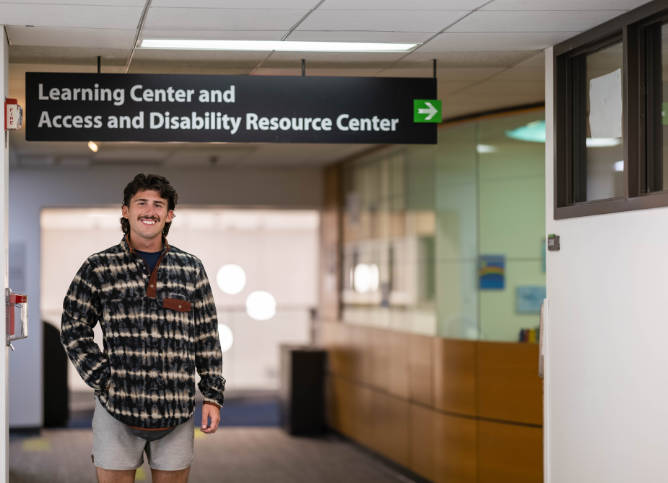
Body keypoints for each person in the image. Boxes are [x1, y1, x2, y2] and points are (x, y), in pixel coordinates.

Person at [60, 173, 225, 483]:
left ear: (169, 215)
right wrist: (102, 377)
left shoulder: (191, 268)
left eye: (158, 205)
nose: (150, 211)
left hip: (176, 410)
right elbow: (73, 325)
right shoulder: (99, 267)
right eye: (142, 203)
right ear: (126, 211)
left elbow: (207, 335)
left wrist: (212, 396)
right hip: (116, 409)